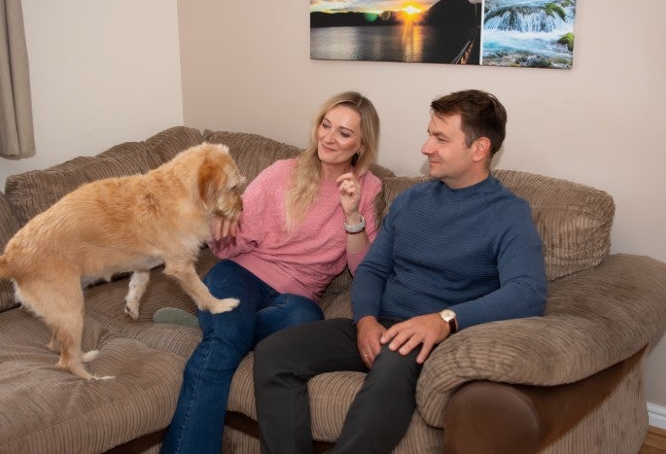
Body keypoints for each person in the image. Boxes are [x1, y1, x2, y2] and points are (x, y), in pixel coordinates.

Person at [253, 89, 547, 454]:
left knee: (394, 359)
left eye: (440, 138)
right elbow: (374, 268)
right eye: (429, 135)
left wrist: (444, 320)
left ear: (479, 148)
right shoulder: (412, 199)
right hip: (382, 323)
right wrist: (365, 321)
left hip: (431, 338)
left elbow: (528, 292)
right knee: (274, 353)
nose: (426, 148)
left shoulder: (508, 214)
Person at [159, 91, 382, 454]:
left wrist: (352, 214)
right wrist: (222, 224)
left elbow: (363, 269)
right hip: (241, 274)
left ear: (361, 144)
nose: (329, 137)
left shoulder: (367, 188)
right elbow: (232, 241)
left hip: (298, 297)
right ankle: (222, 327)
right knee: (221, 349)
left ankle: (215, 320)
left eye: (344, 133)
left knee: (300, 321)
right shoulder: (283, 172)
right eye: (326, 125)